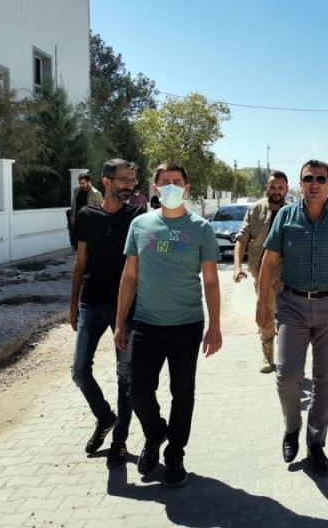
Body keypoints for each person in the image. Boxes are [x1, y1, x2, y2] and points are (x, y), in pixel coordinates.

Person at [257, 160, 328, 477]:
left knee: (325, 380)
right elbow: (269, 261)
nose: (315, 183)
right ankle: (292, 428)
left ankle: (315, 442)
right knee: (287, 376)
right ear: (301, 183)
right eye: (309, 179)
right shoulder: (287, 217)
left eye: (321, 178)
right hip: (291, 305)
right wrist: (261, 303)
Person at [115, 161, 222, 487]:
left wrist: (214, 325)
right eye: (165, 181)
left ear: (187, 188)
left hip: (187, 324)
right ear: (156, 188)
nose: (172, 186)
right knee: (137, 390)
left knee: (183, 391)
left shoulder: (201, 228)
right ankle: (154, 433)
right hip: (146, 323)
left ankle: (175, 450)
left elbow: (212, 280)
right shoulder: (140, 225)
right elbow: (130, 275)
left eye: (177, 181)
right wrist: (120, 321)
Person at [70, 159, 145, 469]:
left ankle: (120, 441)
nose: (129, 185)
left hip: (125, 308)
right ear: (106, 181)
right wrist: (73, 303)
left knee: (124, 377)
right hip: (91, 303)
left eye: (132, 180)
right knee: (79, 370)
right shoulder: (86, 216)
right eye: (124, 180)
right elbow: (80, 262)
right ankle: (105, 418)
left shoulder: (138, 216)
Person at [234, 170, 289, 373]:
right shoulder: (255, 211)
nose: (276, 191)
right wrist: (237, 266)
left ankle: (287, 359)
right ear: (267, 188)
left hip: (288, 275)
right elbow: (241, 239)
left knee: (288, 320)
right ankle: (268, 357)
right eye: (272, 187)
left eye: (280, 187)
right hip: (262, 275)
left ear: (286, 189)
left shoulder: (294, 212)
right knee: (265, 316)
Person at [69, 173, 103, 250]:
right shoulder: (76, 191)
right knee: (76, 244)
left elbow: (101, 211)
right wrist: (72, 216)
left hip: (90, 224)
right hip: (77, 222)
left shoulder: (96, 193)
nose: (81, 185)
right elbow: (73, 205)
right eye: (80, 183)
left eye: (83, 183)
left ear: (89, 181)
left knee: (89, 247)